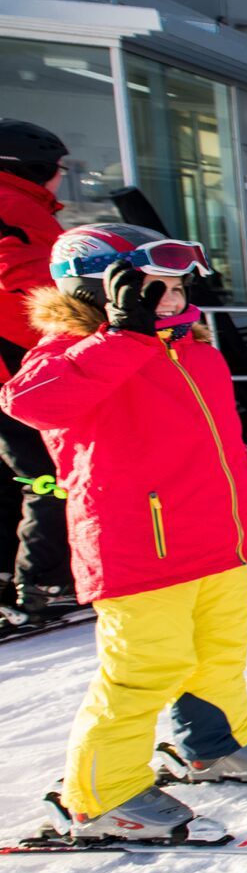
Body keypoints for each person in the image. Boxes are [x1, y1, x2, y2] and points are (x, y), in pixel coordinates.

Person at [1, 224, 247, 842]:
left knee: (218, 650)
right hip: (138, 545)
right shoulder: (72, 352)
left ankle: (216, 745)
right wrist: (125, 336)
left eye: (177, 285)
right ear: (100, 291)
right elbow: (31, 403)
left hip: (214, 537)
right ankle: (101, 796)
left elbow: (226, 447)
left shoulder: (195, 351)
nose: (172, 297)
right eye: (153, 288)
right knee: (145, 668)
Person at [0, 119, 75, 620]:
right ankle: (46, 581)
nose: (63, 177)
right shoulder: (16, 206)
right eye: (60, 168)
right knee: (50, 477)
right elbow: (25, 277)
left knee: (14, 477)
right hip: (18, 367)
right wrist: (86, 317)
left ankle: (10, 577)